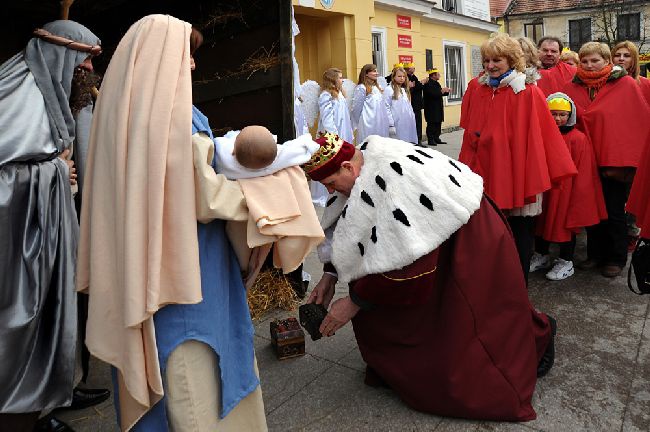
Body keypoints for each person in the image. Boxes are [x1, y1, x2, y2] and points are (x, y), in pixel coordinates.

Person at [77, 16, 267, 431]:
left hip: (142, 277)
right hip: (191, 280)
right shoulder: (177, 118)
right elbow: (206, 197)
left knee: (163, 384)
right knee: (195, 392)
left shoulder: (118, 117)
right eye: (189, 54)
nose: (195, 66)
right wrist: (263, 198)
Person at [302, 132, 556, 421]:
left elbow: (408, 264)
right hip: (433, 239)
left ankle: (539, 337)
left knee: (466, 326)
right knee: (379, 303)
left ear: (348, 167)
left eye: (332, 184)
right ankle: (397, 367)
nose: (333, 192)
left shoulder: (394, 179)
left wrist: (354, 302)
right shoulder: (360, 165)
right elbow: (353, 227)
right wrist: (329, 276)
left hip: (464, 243)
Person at [0, 20, 107, 432]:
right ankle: (25, 412)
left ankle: (54, 391)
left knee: (59, 312)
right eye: (81, 69)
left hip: (50, 231)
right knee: (26, 325)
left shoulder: (50, 90)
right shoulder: (16, 96)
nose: (86, 78)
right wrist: (56, 173)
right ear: (58, 58)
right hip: (18, 247)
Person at [459, 33, 577, 283]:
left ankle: (518, 287)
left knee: (520, 231)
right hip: (485, 171)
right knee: (489, 231)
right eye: (487, 60)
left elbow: (539, 139)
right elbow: (471, 133)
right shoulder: (481, 89)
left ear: (512, 61)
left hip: (517, 174)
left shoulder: (527, 92)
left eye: (497, 60)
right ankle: (493, 283)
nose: (490, 66)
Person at [563, 42, 650, 277]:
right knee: (591, 209)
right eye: (585, 61)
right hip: (584, 160)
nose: (590, 66)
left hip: (614, 160)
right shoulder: (571, 87)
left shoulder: (625, 84)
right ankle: (596, 255)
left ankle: (616, 257)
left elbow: (637, 121)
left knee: (613, 211)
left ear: (606, 61)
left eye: (595, 61)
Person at [531, 93, 607, 281]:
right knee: (540, 223)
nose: (557, 119)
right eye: (553, 114)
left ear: (570, 115)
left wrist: (578, 195)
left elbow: (584, 170)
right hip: (545, 189)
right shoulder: (540, 135)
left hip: (565, 192)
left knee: (564, 226)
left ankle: (566, 261)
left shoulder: (578, 139)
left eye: (562, 114)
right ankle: (541, 255)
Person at [351, 64, 395, 143]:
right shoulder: (361, 88)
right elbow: (356, 108)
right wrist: (359, 123)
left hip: (380, 122)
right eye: (374, 71)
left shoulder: (378, 88)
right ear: (366, 74)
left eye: (377, 71)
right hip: (368, 124)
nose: (377, 73)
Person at [318, 67, 354, 143]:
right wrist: (335, 137)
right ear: (333, 80)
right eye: (340, 78)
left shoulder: (340, 93)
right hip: (334, 135)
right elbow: (327, 119)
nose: (343, 80)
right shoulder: (326, 96)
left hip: (343, 130)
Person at [383, 66, 418, 144]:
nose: (402, 78)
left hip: (407, 123)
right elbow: (386, 107)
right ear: (394, 77)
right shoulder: (389, 89)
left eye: (403, 76)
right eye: (399, 76)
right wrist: (391, 124)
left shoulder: (403, 90)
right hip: (397, 123)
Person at [613, 40, 650, 106]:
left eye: (627, 56)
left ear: (634, 59)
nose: (621, 58)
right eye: (617, 55)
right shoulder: (604, 83)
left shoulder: (646, 84)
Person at [422, 68, 450, 145]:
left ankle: (436, 138)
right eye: (438, 74)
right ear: (433, 75)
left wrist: (446, 92)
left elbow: (439, 93)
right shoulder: (428, 84)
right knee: (432, 123)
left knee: (438, 123)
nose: (439, 76)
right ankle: (431, 139)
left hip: (438, 107)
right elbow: (432, 94)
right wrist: (441, 91)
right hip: (431, 107)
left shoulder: (437, 83)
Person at [405, 62, 424, 145]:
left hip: (417, 103)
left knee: (418, 122)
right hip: (412, 104)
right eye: (413, 68)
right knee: (415, 122)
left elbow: (415, 87)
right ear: (409, 69)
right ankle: (416, 140)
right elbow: (411, 89)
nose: (414, 69)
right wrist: (421, 83)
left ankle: (418, 139)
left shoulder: (413, 77)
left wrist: (420, 84)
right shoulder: (406, 78)